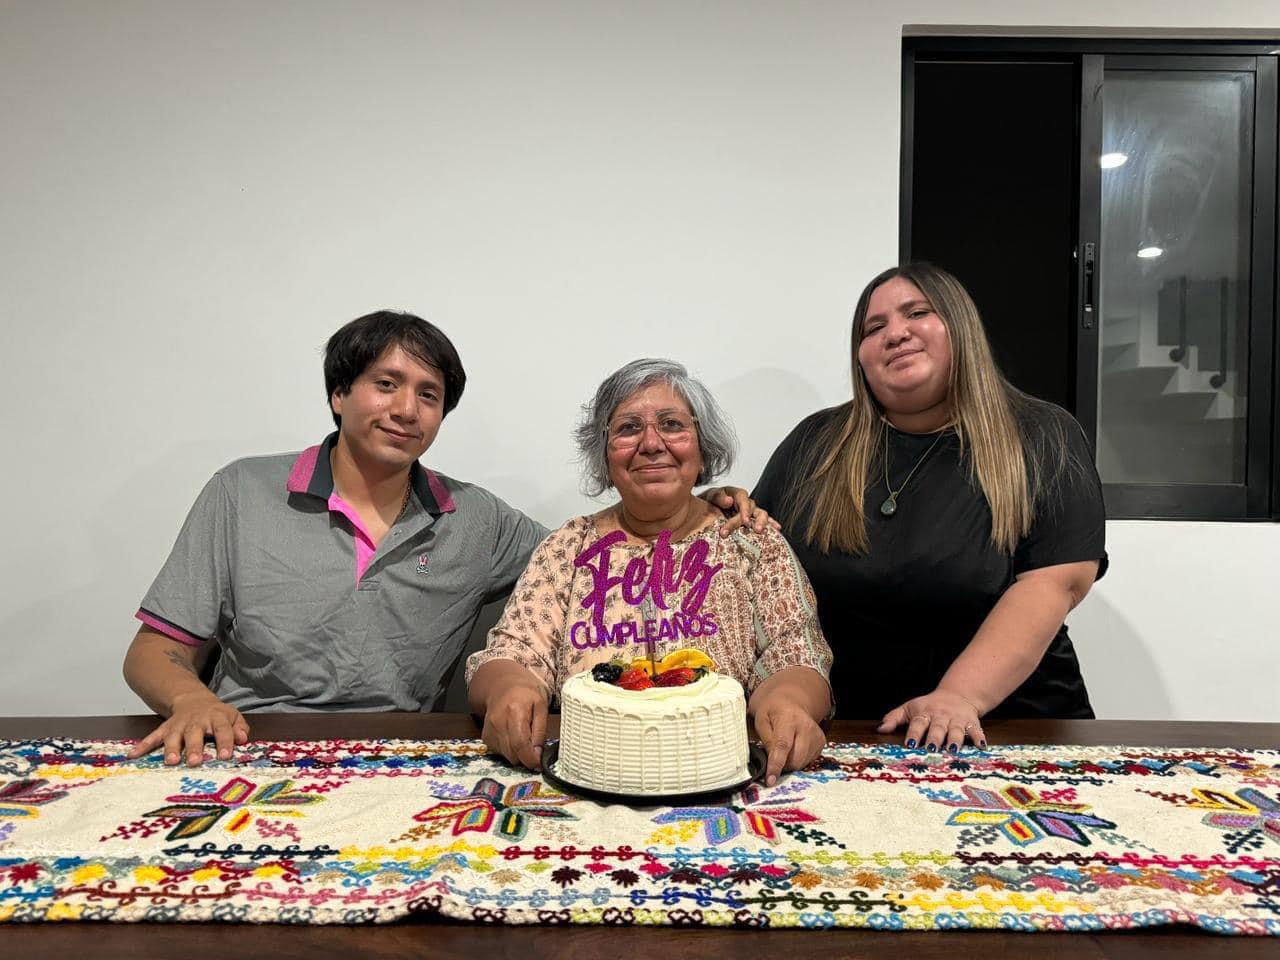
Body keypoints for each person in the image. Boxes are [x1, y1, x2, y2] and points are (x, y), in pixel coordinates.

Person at [124, 313, 766, 767]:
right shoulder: (241, 492)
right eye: (386, 384)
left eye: (428, 395)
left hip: (403, 757)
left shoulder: (475, 518)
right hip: (247, 743)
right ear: (338, 394)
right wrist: (190, 702)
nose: (406, 409)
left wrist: (692, 505)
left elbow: (595, 556)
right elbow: (154, 651)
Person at [752, 263, 1106, 752]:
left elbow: (1056, 582)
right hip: (854, 732)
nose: (895, 333)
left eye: (917, 313)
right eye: (873, 328)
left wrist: (957, 697)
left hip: (1012, 729)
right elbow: (754, 554)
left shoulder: (1043, 433)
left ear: (960, 326)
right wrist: (708, 506)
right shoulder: (817, 443)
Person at [467, 358, 833, 786]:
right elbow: (510, 654)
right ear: (603, 455)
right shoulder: (567, 548)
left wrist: (791, 700)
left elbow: (798, 654)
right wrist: (506, 688)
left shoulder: (751, 541)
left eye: (672, 424)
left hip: (720, 777)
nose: (651, 443)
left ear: (703, 447)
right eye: (627, 429)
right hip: (589, 778)